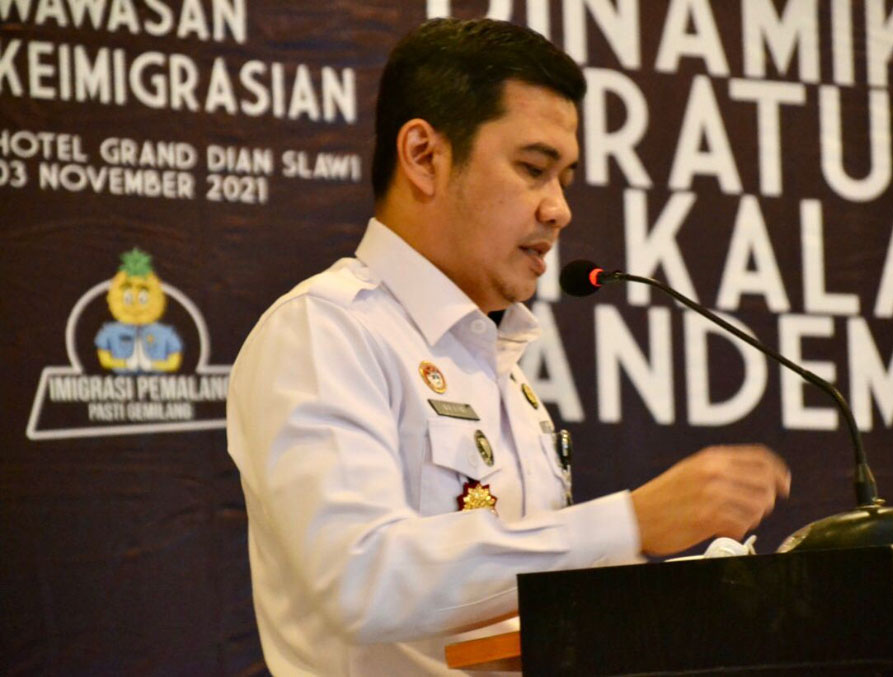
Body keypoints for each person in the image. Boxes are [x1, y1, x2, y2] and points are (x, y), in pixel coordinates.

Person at [227, 17, 790, 675]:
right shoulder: (324, 331)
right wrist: (630, 522)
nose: (559, 209)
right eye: (533, 169)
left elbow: (527, 601)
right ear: (424, 156)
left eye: (565, 178)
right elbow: (361, 579)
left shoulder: (502, 369)